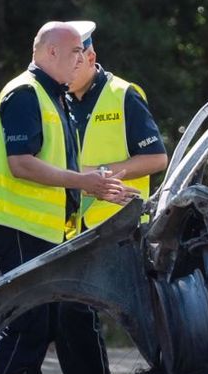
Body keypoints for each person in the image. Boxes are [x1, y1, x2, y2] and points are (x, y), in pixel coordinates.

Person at [0, 21, 137, 374]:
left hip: (41, 227)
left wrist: (94, 188)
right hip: (19, 224)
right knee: (28, 318)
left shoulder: (54, 96)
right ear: (51, 52)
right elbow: (21, 163)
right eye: (76, 51)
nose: (82, 58)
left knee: (44, 316)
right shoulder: (24, 93)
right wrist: (82, 182)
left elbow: (55, 165)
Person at [68, 23, 168, 228]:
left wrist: (99, 174)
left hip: (120, 227)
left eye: (74, 65)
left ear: (91, 58)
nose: (66, 73)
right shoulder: (56, 98)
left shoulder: (123, 95)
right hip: (71, 228)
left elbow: (157, 159)